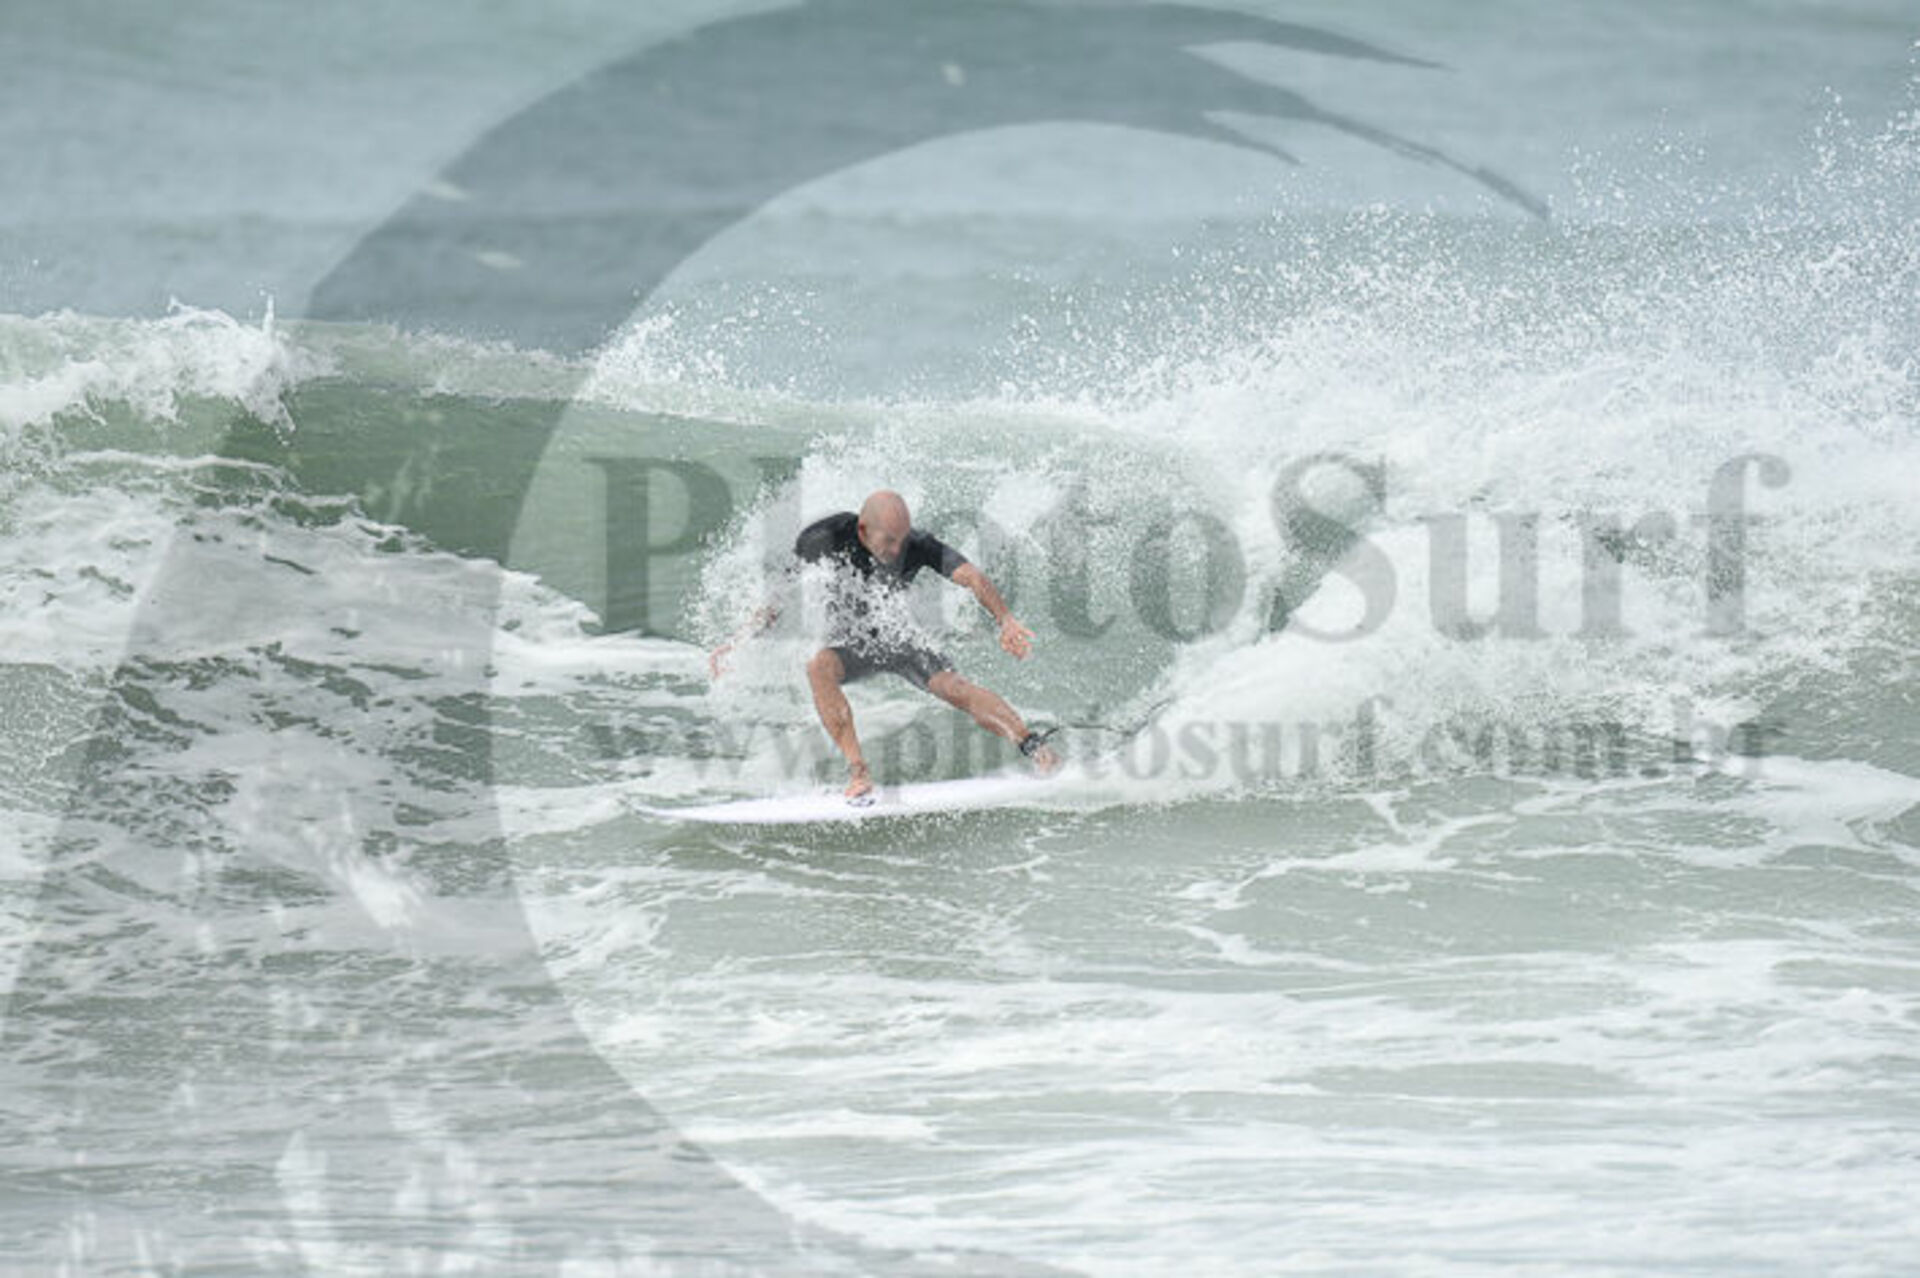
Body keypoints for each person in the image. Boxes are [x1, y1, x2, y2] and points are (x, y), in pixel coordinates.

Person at [709, 490, 1060, 800]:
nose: (897, 550)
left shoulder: (916, 544)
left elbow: (971, 577)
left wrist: (1005, 619)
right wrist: (737, 642)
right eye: (890, 541)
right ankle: (859, 773)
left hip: (899, 639)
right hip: (851, 647)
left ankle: (1034, 746)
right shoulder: (825, 537)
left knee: (955, 687)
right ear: (863, 530)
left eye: (901, 540)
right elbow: (778, 597)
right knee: (818, 667)